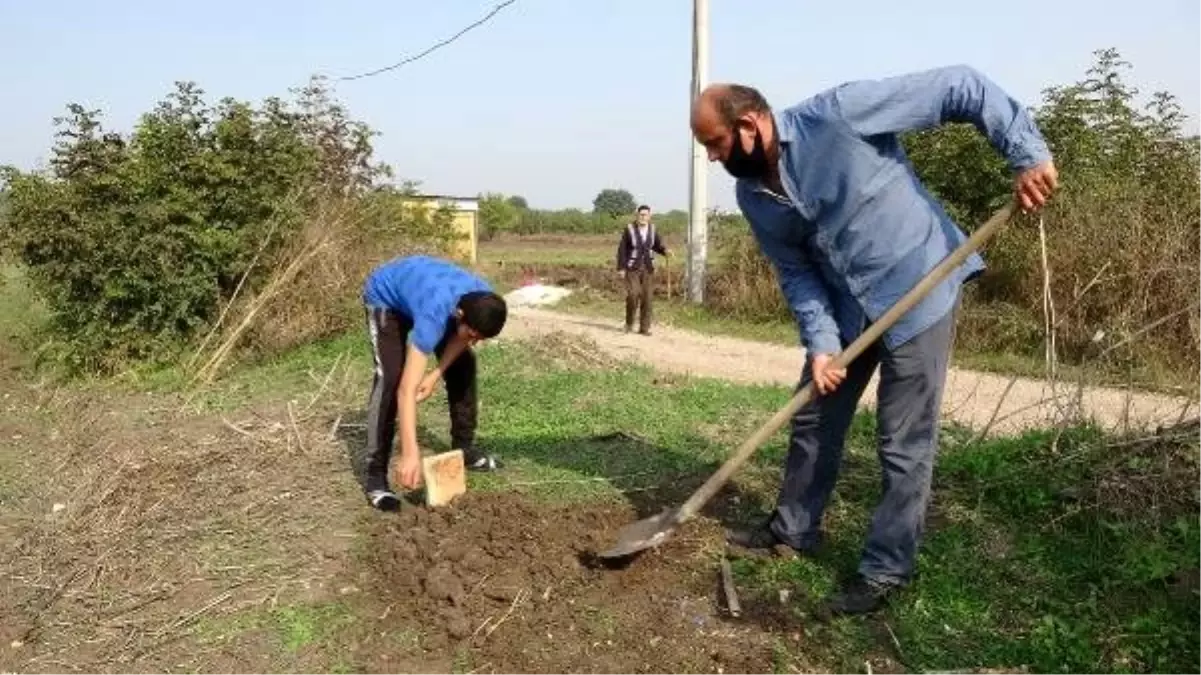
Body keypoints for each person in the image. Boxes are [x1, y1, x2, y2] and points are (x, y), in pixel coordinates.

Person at [689, 65, 1058, 616]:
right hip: (846, 312)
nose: (713, 159)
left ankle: (885, 570)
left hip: (920, 287)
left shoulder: (838, 115)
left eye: (715, 144)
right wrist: (820, 345)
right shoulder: (755, 199)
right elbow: (797, 273)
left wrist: (1025, 154)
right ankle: (793, 529)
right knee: (814, 415)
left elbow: (962, 86)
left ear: (750, 123)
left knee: (902, 439)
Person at [360, 254, 508, 511]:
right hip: (387, 299)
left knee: (464, 365)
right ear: (459, 315)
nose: (474, 341)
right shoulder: (434, 314)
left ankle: (464, 450)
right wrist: (410, 453)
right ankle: (376, 478)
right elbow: (406, 391)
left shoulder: (484, 299)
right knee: (391, 380)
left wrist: (435, 374)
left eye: (479, 338)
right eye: (472, 334)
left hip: (427, 293)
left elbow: (462, 339)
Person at [615, 204, 670, 335]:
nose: (643, 217)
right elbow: (622, 249)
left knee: (647, 298)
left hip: (648, 268)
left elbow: (656, 246)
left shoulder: (652, 229)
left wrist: (665, 251)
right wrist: (621, 268)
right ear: (637, 215)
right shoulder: (629, 229)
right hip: (632, 268)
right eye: (641, 214)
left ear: (649, 216)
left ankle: (644, 328)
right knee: (633, 295)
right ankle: (629, 324)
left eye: (645, 215)